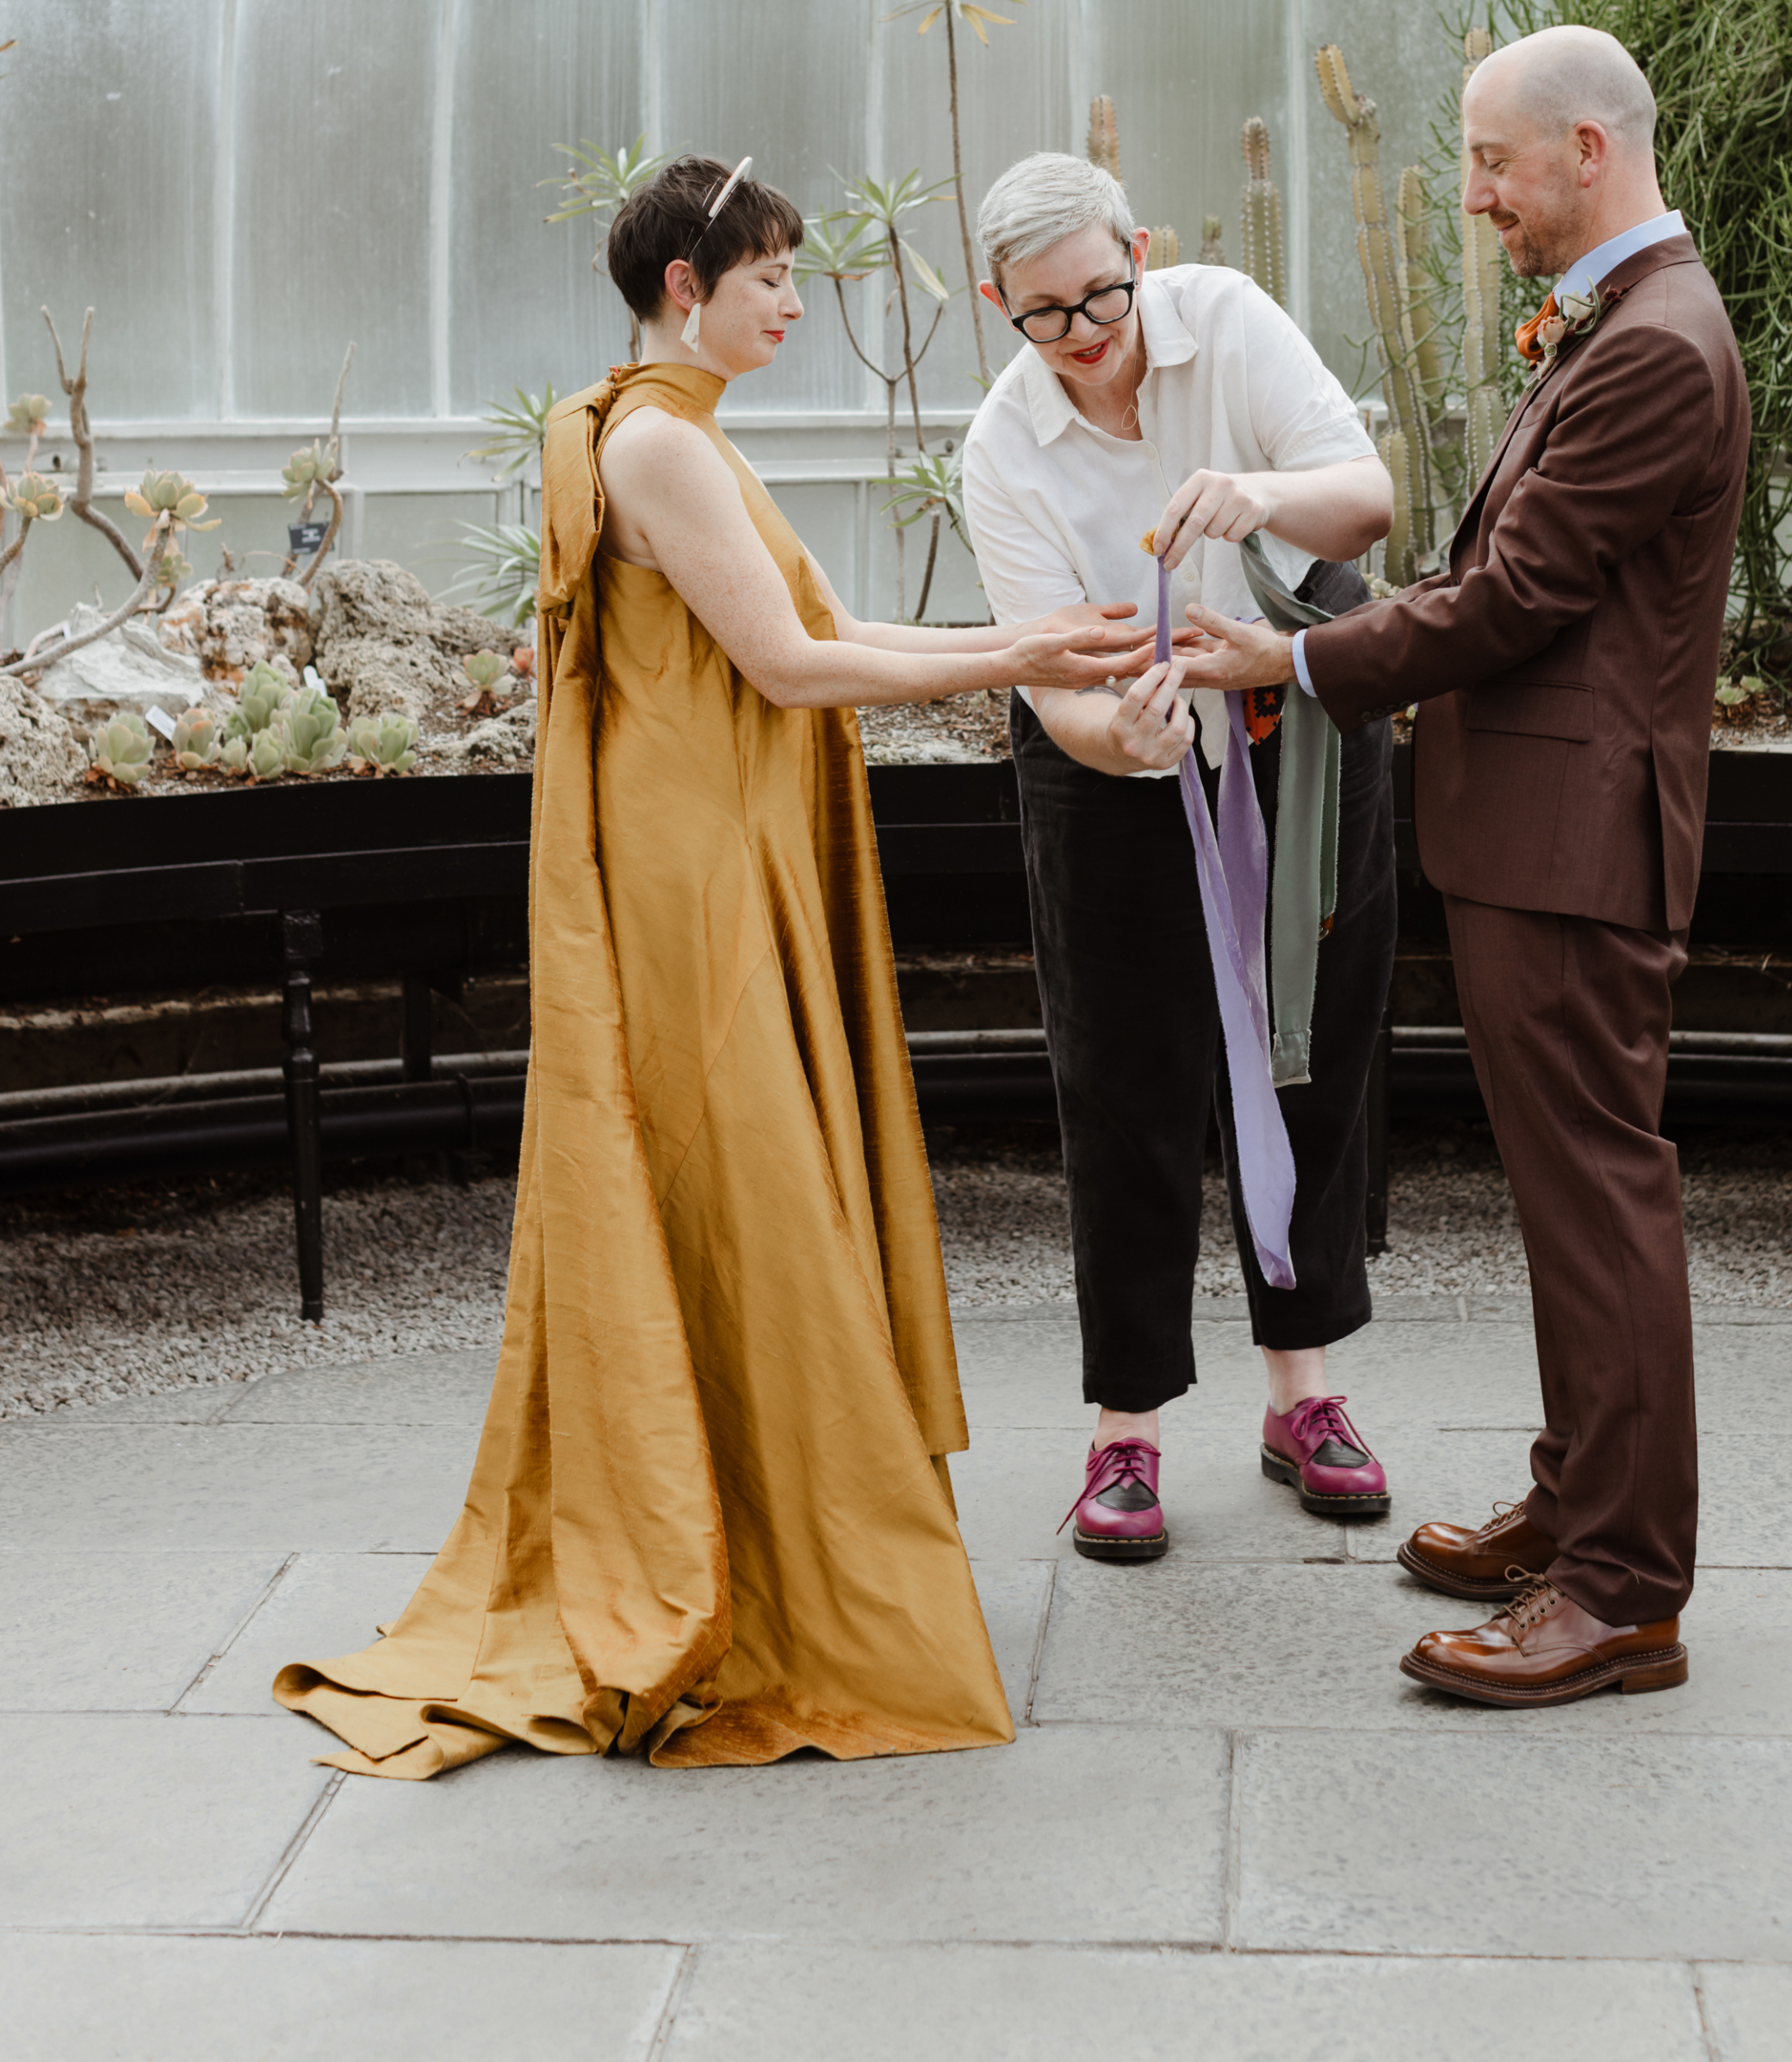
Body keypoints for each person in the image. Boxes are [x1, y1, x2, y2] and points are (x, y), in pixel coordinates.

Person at [276, 152, 1150, 1774]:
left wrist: (1021, 646)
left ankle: (724, 1517)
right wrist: (1026, 653)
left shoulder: (650, 432)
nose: (795, 305)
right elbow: (796, 662)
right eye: (771, 280)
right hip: (692, 883)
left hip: (700, 855)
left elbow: (811, 641)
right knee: (741, 1188)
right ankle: (737, 1555)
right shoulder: (663, 447)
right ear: (689, 283)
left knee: (735, 1189)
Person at [1181, 27, 1751, 1707]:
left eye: (1495, 162)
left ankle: (1624, 1590)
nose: (1479, 196)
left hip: (1576, 845)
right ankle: (1583, 1502)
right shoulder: (1628, 319)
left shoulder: (1657, 345)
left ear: (1587, 147)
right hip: (1542, 833)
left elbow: (1516, 596)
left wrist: (1284, 660)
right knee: (1577, 1201)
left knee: (1597, 1206)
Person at [958, 152, 1398, 1564]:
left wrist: (1255, 497)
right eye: (1047, 314)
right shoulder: (1001, 447)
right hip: (1112, 765)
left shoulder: (1231, 317)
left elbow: (1368, 501)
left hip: (1290, 720)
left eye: (1104, 291)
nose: (1088, 333)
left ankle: (1305, 1393)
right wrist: (1124, 741)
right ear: (998, 307)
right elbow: (1052, 688)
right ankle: (1124, 1425)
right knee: (1123, 1078)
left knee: (1312, 1050)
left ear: (1139, 248)